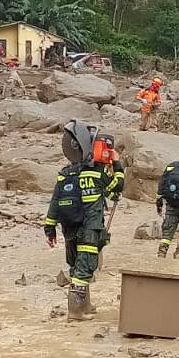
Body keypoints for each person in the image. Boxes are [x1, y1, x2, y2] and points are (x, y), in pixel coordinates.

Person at [44, 120, 117, 321]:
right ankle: (75, 312)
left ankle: (86, 306)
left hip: (69, 228)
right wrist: (116, 164)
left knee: (76, 266)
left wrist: (49, 229)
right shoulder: (98, 173)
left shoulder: (65, 174)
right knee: (84, 269)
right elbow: (117, 188)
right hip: (90, 228)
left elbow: (55, 202)